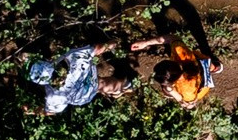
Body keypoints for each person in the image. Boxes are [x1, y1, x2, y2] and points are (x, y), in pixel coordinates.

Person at [28, 36, 165, 115]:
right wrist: (113, 43)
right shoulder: (74, 57)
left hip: (80, 95)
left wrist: (32, 111)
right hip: (86, 89)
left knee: (100, 85)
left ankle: (117, 89)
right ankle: (124, 85)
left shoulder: (53, 96)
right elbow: (99, 48)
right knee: (102, 84)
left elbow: (49, 111)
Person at [154, 43, 226, 107]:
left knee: (166, 92)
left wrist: (169, 90)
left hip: (203, 85)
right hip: (200, 63)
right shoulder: (179, 52)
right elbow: (173, 39)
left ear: (173, 81)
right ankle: (214, 67)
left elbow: (189, 104)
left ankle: (212, 68)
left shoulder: (186, 90)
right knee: (204, 62)